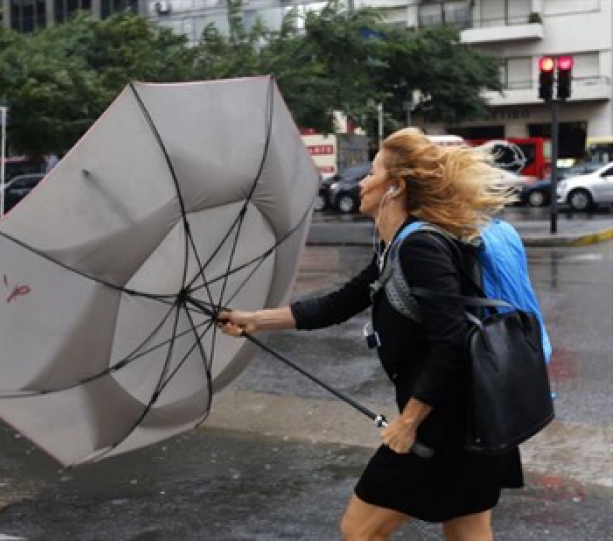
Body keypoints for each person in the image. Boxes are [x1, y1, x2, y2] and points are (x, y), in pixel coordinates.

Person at [217, 128, 524, 541]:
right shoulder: (397, 247)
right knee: (468, 531)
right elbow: (337, 304)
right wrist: (255, 319)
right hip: (475, 418)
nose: (361, 180)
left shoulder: (420, 247)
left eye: (373, 171)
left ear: (395, 187)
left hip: (449, 425)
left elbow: (450, 341)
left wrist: (409, 422)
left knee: (360, 529)